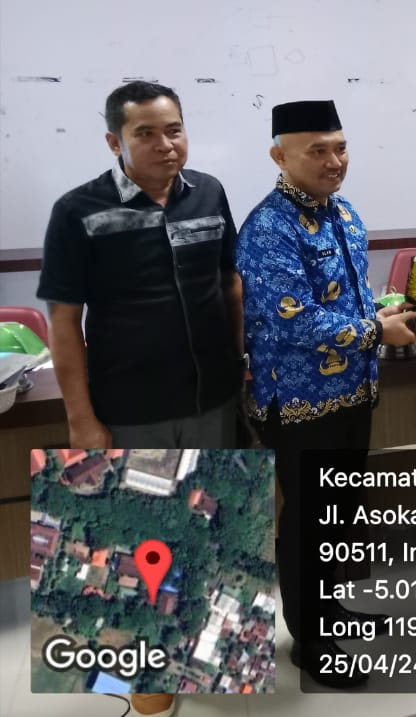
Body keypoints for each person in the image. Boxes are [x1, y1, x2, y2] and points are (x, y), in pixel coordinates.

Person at [36, 80, 244, 717]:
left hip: (212, 397)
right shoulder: (78, 211)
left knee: (206, 526)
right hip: (130, 404)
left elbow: (230, 284)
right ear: (115, 142)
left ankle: (203, 649)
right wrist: (81, 418)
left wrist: (242, 362)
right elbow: (64, 321)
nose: (164, 144)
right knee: (146, 541)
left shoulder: (209, 192)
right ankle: (148, 669)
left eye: (173, 129)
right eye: (145, 133)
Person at [236, 100, 416, 688]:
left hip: (352, 393)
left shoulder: (344, 212)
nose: (334, 161)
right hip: (300, 404)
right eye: (317, 150)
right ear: (279, 156)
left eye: (340, 147)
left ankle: (329, 610)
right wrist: (377, 332)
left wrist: (383, 313)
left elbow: (349, 296)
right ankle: (310, 643)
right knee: (307, 523)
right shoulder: (269, 228)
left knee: (336, 518)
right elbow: (293, 320)